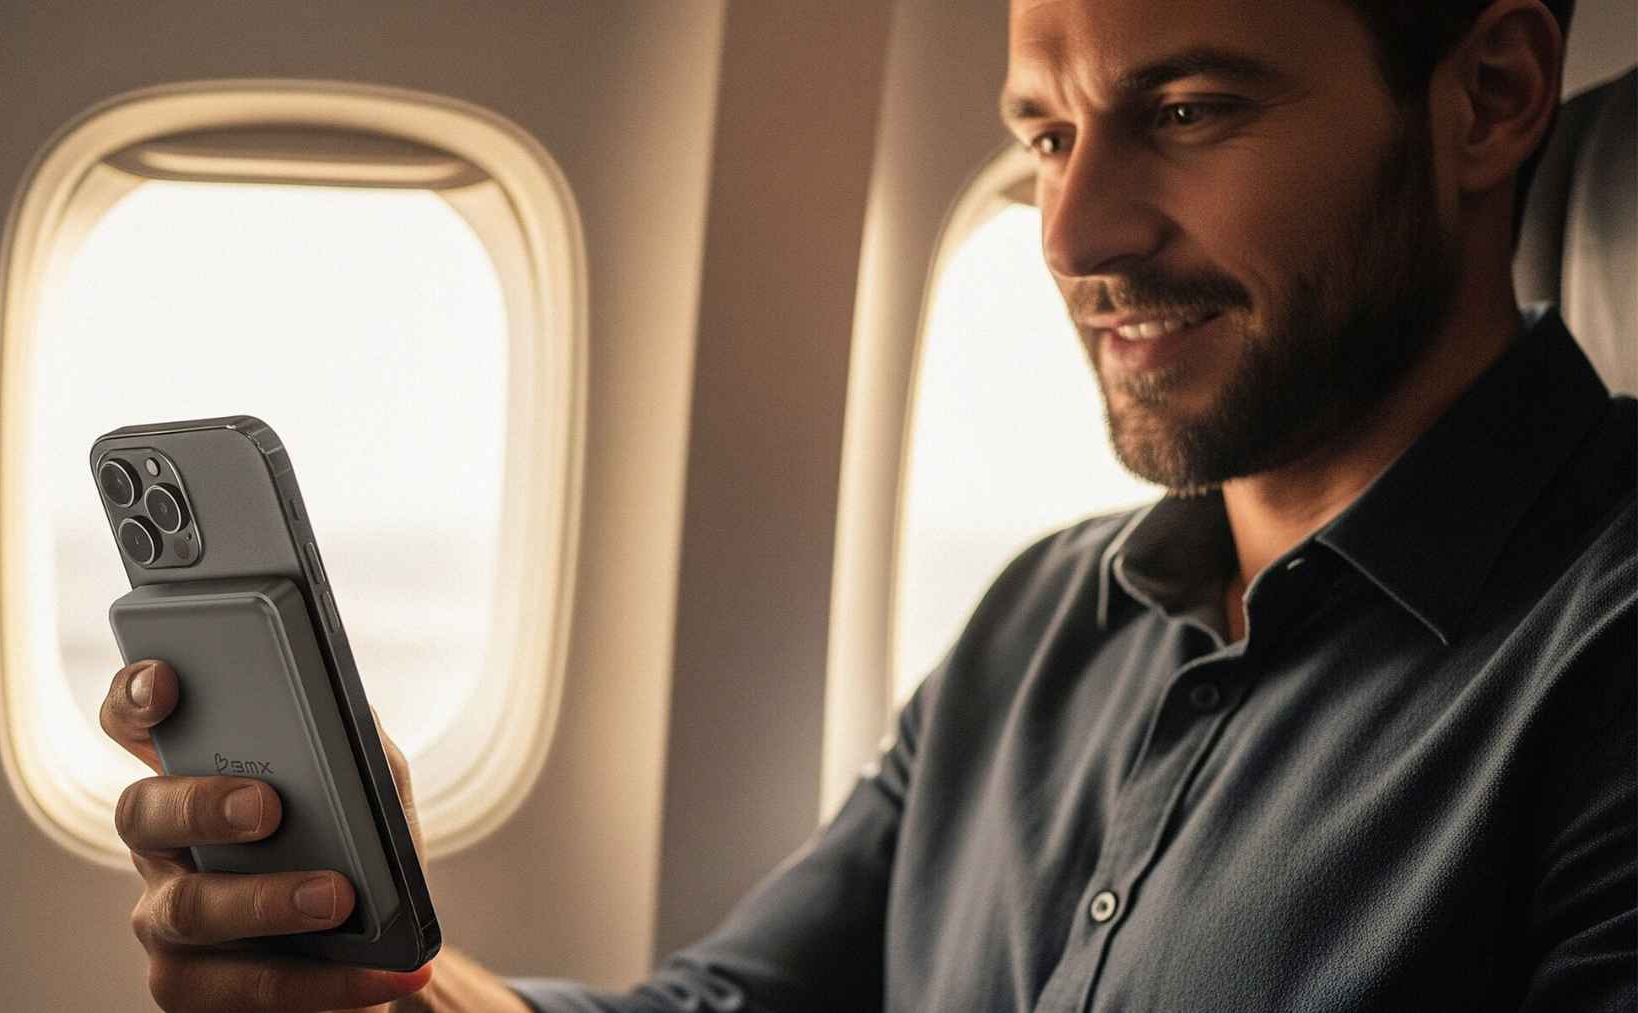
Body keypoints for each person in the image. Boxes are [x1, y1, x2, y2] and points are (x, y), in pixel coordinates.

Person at [99, 0, 1636, 1009]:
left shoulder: (1601, 659)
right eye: (1045, 135)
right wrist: (392, 977)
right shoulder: (1044, 623)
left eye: (1185, 111)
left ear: (1491, 99)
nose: (1075, 229)